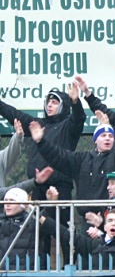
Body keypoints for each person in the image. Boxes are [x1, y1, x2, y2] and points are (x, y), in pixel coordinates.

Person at [29, 119, 115, 220]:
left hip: (111, 219)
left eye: (111, 136)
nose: (107, 138)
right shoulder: (81, 159)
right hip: (86, 219)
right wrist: (41, 141)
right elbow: (58, 156)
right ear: (95, 139)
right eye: (103, 135)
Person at [0, 84, 85, 214]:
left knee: (59, 230)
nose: (49, 105)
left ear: (63, 106)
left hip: (60, 187)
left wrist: (75, 102)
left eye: (55, 102)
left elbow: (79, 118)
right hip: (38, 186)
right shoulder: (38, 124)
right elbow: (15, 114)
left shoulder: (68, 126)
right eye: (48, 102)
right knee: (37, 229)